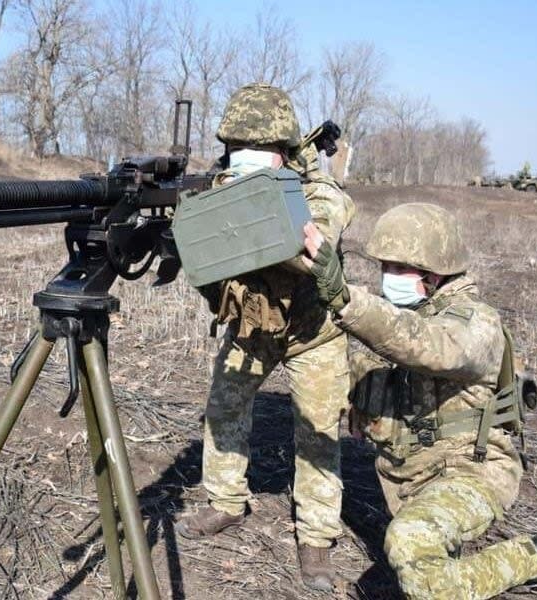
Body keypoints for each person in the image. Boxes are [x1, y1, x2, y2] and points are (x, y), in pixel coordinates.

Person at [302, 203, 537, 600]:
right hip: (410, 477)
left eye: (400, 270)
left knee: (410, 546)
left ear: (435, 276)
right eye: (385, 268)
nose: (388, 279)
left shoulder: (475, 323)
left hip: (470, 471)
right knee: (422, 559)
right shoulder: (402, 313)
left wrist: (347, 299)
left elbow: (425, 343)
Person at [174, 83, 356, 591]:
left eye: (258, 157)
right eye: (236, 156)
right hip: (253, 326)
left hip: (311, 331)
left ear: (284, 155)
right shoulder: (221, 188)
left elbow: (311, 244)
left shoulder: (319, 194)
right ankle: (226, 503)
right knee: (224, 407)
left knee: (317, 428)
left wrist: (244, 214)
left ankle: (316, 537)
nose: (243, 166)